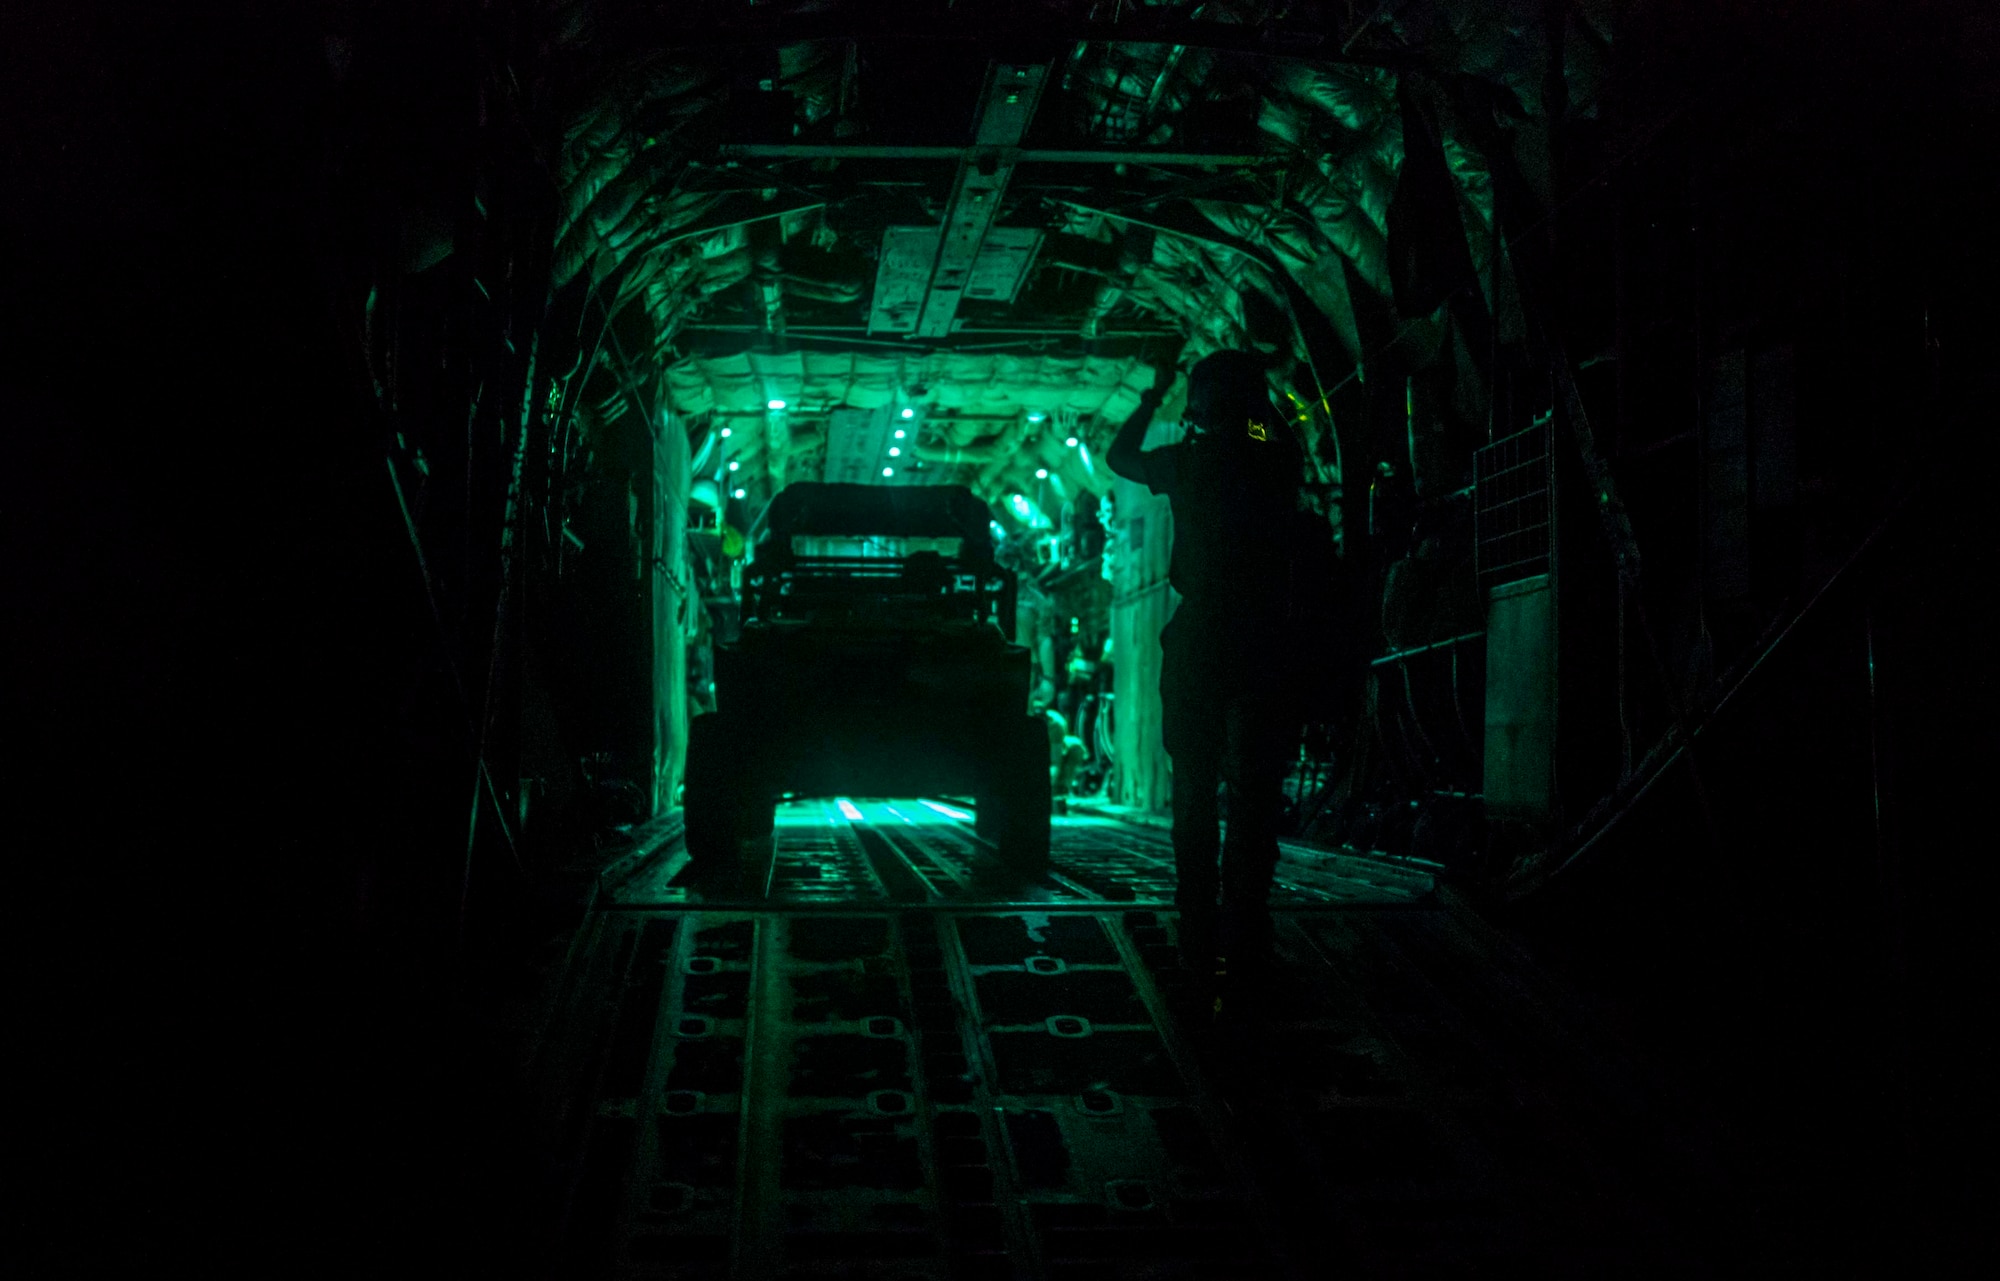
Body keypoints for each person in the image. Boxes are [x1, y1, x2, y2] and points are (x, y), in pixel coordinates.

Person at [1107, 347, 1306, 1015]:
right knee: (1253, 793)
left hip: (1199, 641)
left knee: (1193, 786)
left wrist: (1153, 394)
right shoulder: (1274, 461)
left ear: (1199, 408)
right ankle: (1248, 927)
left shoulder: (1185, 463)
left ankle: (1196, 923)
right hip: (1264, 639)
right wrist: (1263, 405)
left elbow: (1118, 456)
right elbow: (1284, 435)